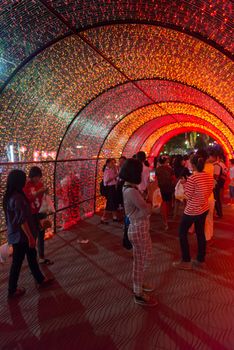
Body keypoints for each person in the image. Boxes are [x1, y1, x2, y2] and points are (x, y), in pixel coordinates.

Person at [3, 170, 53, 298]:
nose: (25, 181)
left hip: (16, 234)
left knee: (31, 256)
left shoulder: (10, 195)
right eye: (23, 179)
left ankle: (40, 279)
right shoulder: (17, 198)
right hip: (22, 236)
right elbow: (22, 220)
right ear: (18, 181)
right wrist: (30, 237)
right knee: (18, 262)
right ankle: (12, 290)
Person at [120, 158, 157, 306]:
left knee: (146, 257)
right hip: (138, 228)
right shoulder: (131, 191)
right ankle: (138, 293)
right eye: (140, 171)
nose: (142, 174)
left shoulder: (130, 187)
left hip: (140, 227)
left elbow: (144, 206)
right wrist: (152, 195)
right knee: (140, 261)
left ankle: (139, 284)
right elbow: (146, 208)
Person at [173, 155, 213, 270]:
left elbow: (188, 196)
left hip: (192, 210)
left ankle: (186, 260)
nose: (188, 164)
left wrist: (184, 184)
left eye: (190, 162)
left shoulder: (192, 178)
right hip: (203, 208)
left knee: (182, 233)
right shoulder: (208, 176)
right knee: (200, 233)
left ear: (193, 165)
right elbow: (209, 192)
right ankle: (201, 259)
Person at [24, 166, 53, 265]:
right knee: (33, 236)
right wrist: (38, 192)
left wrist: (46, 192)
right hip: (31, 214)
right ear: (31, 177)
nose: (37, 179)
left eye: (38, 176)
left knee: (41, 234)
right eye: (34, 177)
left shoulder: (40, 184)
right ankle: (32, 261)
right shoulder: (26, 185)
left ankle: (41, 257)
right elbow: (28, 199)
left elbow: (43, 198)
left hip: (41, 212)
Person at [155, 155, 175, 230]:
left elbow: (154, 180)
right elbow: (173, 178)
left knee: (163, 205)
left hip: (160, 189)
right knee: (167, 203)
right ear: (166, 161)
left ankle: (165, 221)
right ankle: (167, 217)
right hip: (169, 188)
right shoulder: (170, 169)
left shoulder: (156, 170)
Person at [101, 158, 119, 223]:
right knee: (110, 203)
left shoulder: (112, 169)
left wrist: (115, 170)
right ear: (107, 163)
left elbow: (117, 175)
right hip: (110, 188)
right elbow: (106, 181)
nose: (113, 164)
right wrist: (114, 176)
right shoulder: (106, 170)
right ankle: (105, 217)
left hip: (113, 187)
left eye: (114, 163)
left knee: (112, 203)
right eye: (112, 163)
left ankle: (113, 217)